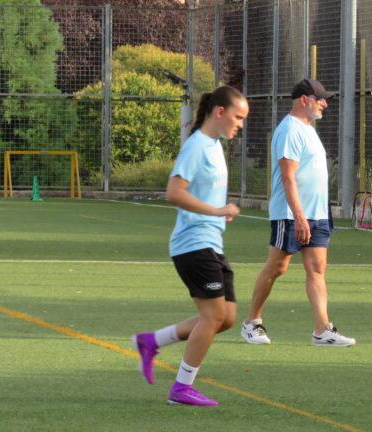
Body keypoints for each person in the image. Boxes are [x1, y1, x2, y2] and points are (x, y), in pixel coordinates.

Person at [133, 86, 249, 406]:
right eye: (238, 117)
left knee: (224, 318)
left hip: (210, 242)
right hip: (192, 245)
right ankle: (181, 388)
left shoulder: (213, 146)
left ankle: (151, 341)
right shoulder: (197, 145)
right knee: (212, 318)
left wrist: (216, 213)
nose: (240, 124)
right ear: (220, 112)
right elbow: (174, 191)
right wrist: (217, 210)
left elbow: (200, 193)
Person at [240, 78, 355, 347]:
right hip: (291, 214)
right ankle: (251, 323)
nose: (325, 103)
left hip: (318, 213)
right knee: (277, 267)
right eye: (320, 99)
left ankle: (322, 330)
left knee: (316, 268)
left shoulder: (308, 128)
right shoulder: (289, 130)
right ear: (305, 100)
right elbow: (287, 177)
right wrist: (300, 217)